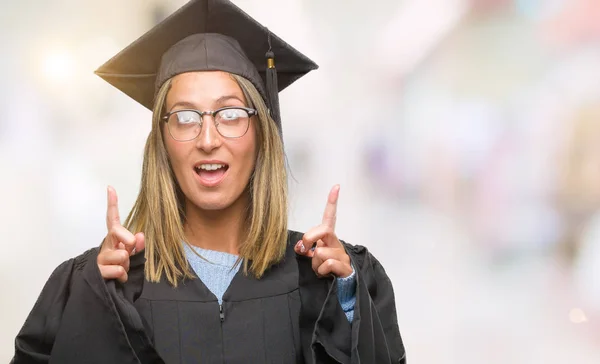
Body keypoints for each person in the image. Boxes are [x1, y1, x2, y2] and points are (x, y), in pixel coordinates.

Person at [11, 0, 406, 363]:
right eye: (184, 117)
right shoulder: (104, 282)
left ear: (261, 134)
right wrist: (92, 303)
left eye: (230, 114)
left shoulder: (326, 281)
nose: (207, 139)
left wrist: (346, 299)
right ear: (162, 143)